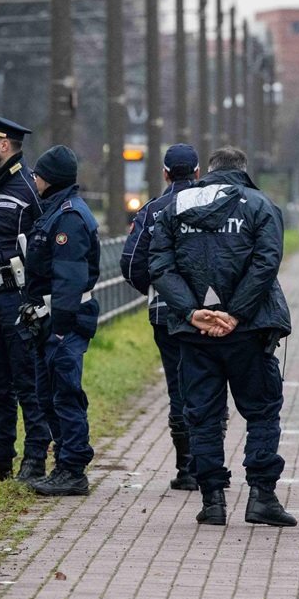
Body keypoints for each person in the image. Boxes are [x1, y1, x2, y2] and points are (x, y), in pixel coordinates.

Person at [148, 145, 297, 527]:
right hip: (248, 331)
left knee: (203, 415)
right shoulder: (260, 205)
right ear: (243, 170)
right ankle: (262, 497)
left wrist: (191, 311)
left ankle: (212, 500)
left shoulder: (174, 207)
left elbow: (160, 265)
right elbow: (266, 262)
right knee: (262, 410)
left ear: (208, 171)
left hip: (194, 331)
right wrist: (235, 313)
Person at [0, 110, 51, 483]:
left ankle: (35, 458)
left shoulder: (28, 190)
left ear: (4, 145)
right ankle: (1, 458)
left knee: (27, 382)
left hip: (17, 298)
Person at [20, 145, 100, 497]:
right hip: (49, 320)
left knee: (64, 393)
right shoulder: (53, 212)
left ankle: (73, 468)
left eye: (37, 175)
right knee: (48, 394)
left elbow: (69, 277)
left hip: (63, 321)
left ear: (50, 179)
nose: (34, 180)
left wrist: (61, 330)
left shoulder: (68, 217)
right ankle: (64, 462)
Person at [121, 144, 201, 491]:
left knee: (177, 387)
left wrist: (154, 291)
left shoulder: (153, 210)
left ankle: (186, 468)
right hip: (209, 312)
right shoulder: (215, 206)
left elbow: (131, 261)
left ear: (165, 173)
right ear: (197, 173)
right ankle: (208, 465)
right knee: (207, 385)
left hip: (165, 313)